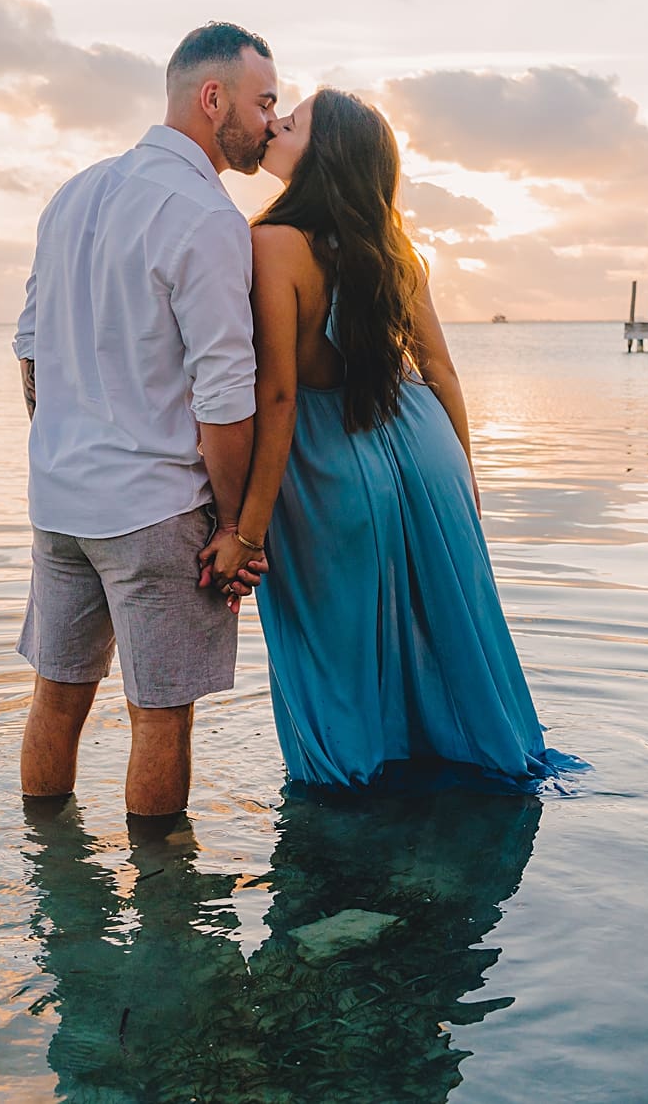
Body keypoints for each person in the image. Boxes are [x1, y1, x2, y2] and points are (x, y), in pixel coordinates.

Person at [221, 88, 583, 792]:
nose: (273, 127)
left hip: (328, 457)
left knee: (335, 650)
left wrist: (250, 530)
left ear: (323, 154)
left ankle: (347, 822)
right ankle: (462, 778)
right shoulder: (394, 250)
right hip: (425, 447)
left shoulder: (271, 243)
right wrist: (467, 478)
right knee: (445, 635)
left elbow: (280, 393)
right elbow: (441, 369)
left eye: (290, 124)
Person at [13, 22, 277, 817]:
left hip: (59, 504)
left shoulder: (73, 195)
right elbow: (225, 398)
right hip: (157, 511)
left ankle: (53, 898)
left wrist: (61, 443)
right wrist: (237, 529)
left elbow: (29, 353)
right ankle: (167, 921)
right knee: (160, 717)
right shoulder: (207, 215)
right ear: (212, 97)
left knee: (57, 698)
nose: (271, 119)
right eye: (264, 101)